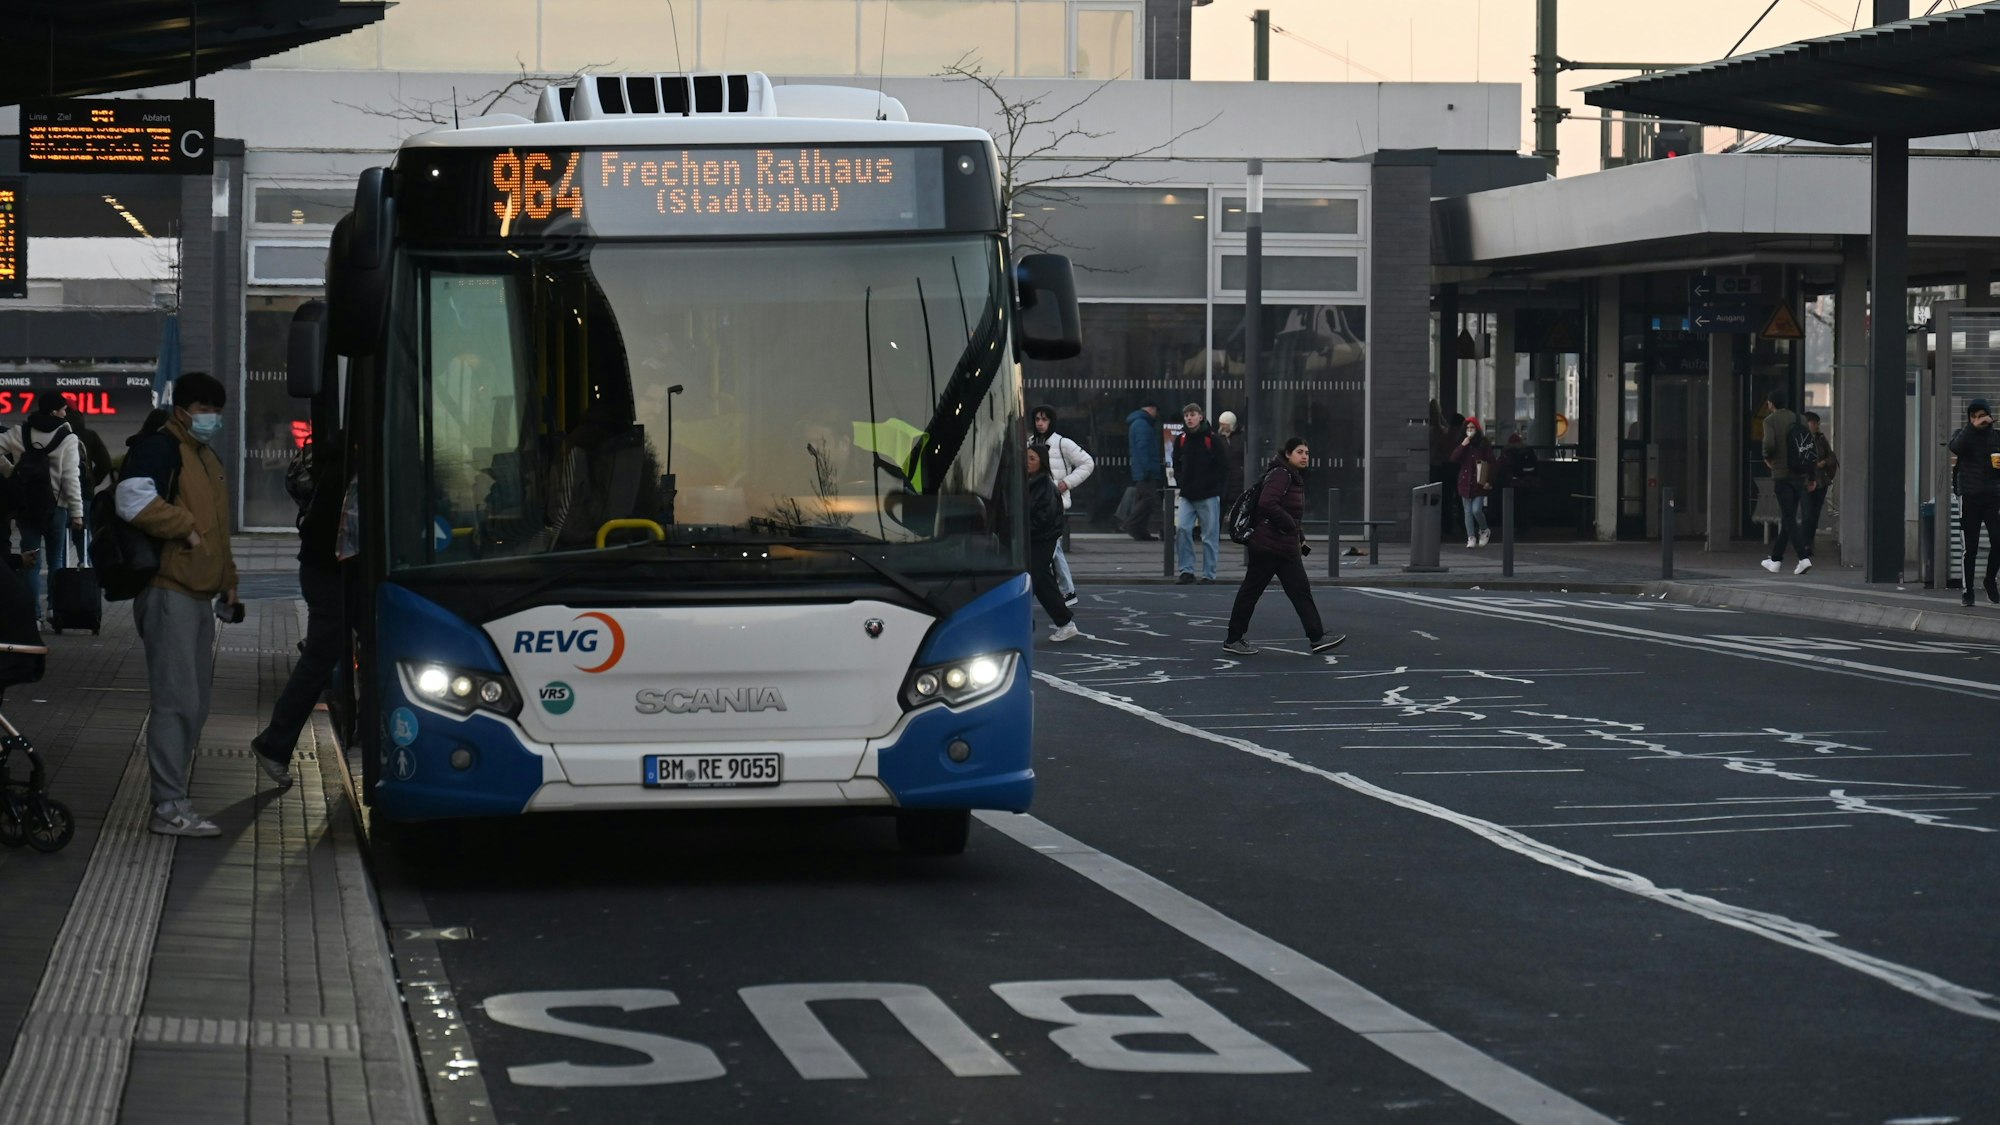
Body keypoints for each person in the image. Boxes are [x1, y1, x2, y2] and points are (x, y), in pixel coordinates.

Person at [115, 372, 239, 837]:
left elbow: (220, 528)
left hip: (198, 594)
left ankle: (175, 799)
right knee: (176, 702)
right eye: (208, 410)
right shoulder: (161, 448)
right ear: (185, 409)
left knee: (195, 703)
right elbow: (131, 500)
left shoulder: (203, 456)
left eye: (218, 411)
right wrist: (183, 526)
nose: (215, 419)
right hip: (169, 590)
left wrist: (229, 580)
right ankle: (168, 806)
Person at [250, 429, 345, 790]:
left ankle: (275, 743)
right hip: (329, 573)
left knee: (321, 657)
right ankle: (274, 743)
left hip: (322, 571)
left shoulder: (336, 461)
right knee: (319, 658)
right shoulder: (346, 471)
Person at [1221, 437, 1343, 656]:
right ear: (1288, 454)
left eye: (1307, 452)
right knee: (1252, 591)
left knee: (1300, 590)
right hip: (1268, 546)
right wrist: (1288, 525)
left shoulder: (1292, 476)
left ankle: (1317, 637)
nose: (1305, 456)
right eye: (1300, 452)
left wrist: (1299, 534)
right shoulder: (1281, 474)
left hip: (1284, 546)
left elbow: (1291, 513)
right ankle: (1233, 639)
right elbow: (1267, 503)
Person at [0, 396, 86, 624]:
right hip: (56, 508)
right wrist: (77, 512)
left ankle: (32, 615)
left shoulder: (20, 432)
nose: (65, 414)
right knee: (56, 558)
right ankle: (54, 611)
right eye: (63, 410)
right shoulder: (68, 438)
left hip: (26, 507)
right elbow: (71, 478)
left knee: (30, 560)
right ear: (54, 412)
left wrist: (11, 472)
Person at [1030, 404, 1094, 607]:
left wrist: (1066, 483)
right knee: (1051, 549)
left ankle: (1066, 591)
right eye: (1038, 419)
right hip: (1039, 502)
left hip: (1056, 502)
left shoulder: (1062, 443)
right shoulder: (1030, 443)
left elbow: (1087, 462)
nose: (1040, 423)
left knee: (1052, 548)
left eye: (1045, 419)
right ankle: (1064, 592)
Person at [1948, 398, 2000, 607]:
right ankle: (1967, 590)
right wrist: (1972, 427)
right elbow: (1956, 448)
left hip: (1993, 497)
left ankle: (1989, 581)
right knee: (1970, 547)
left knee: (1998, 539)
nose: (1978, 420)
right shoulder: (1963, 435)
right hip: (1969, 497)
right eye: (1974, 416)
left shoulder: (1996, 437)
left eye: (1981, 415)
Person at [1171, 402, 1228, 585]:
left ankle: (1208, 574)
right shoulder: (1181, 440)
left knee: (1209, 536)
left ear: (1200, 416)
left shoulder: (1213, 439)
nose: (1189, 418)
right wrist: (1181, 481)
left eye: (1193, 414)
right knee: (1182, 529)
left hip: (1209, 494)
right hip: (1188, 493)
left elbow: (1223, 466)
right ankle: (1186, 570)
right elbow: (1176, 463)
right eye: (1187, 415)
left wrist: (1212, 484)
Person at [1025, 444, 1077, 642]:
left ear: (1042, 463)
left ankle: (1017, 624)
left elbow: (1043, 520)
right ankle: (1065, 623)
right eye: (1026, 458)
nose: (1027, 462)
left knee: (1029, 581)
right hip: (1036, 539)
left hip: (1041, 540)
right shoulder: (1031, 482)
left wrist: (1024, 530)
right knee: (1043, 582)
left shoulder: (1045, 486)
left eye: (1032, 459)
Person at [1759, 388, 1811, 574]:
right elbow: (1808, 447)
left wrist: (1766, 456)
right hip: (1800, 474)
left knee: (1788, 518)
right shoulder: (1800, 419)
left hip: (1782, 474)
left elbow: (1769, 444)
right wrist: (1811, 475)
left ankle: (1803, 557)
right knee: (1787, 517)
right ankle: (1775, 560)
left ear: (1771, 403)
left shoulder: (1770, 421)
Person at [1450, 416, 1497, 548]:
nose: (1470, 430)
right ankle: (1471, 537)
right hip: (1465, 482)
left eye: (1472, 428)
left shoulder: (1483, 444)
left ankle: (1484, 529)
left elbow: (1492, 463)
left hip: (1479, 483)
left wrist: (1489, 480)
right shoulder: (1463, 443)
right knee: (1467, 511)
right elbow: (1453, 458)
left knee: (1476, 509)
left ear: (1477, 429)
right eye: (1468, 428)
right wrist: (1463, 445)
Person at [1119, 402, 1163, 540]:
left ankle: (1140, 532)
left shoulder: (1139, 423)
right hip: (1145, 470)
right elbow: (1143, 448)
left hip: (1142, 469)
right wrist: (1148, 469)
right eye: (1156, 410)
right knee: (1148, 499)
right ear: (1151, 408)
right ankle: (1131, 524)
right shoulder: (1142, 425)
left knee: (1142, 499)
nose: (1156, 414)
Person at [1800, 411, 1838, 564]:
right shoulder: (1800, 440)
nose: (1816, 426)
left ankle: (1808, 544)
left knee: (1814, 515)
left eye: (1817, 423)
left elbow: (1831, 456)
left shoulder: (1821, 439)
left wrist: (1824, 463)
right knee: (1807, 514)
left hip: (1821, 482)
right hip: (1805, 482)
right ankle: (1804, 545)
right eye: (1814, 423)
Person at [1216, 410, 1246, 503]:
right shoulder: (1217, 439)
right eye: (1221, 424)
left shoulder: (1241, 438)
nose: (1222, 427)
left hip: (1238, 480)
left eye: (1224, 424)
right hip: (1222, 481)